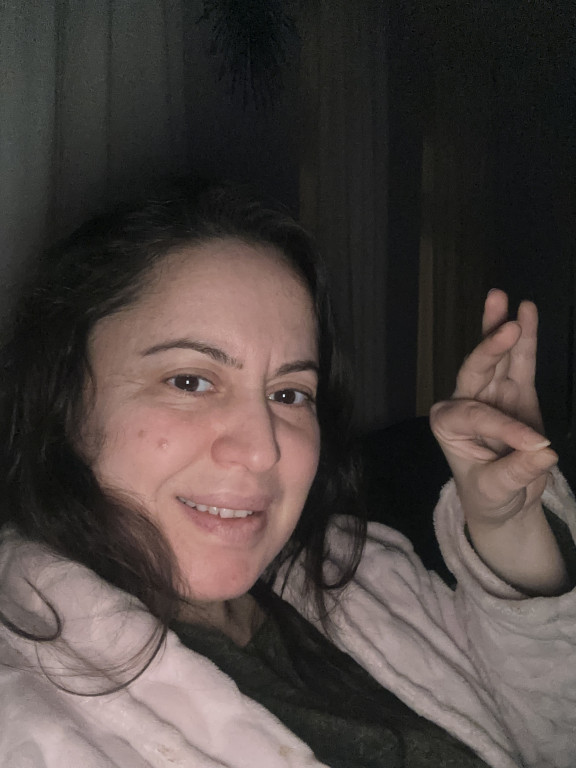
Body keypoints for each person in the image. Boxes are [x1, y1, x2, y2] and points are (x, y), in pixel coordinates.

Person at [0, 183, 574, 768]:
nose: (262, 450)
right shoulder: (26, 717)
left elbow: (553, 728)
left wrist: (509, 527)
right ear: (65, 400)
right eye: (190, 381)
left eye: (289, 393)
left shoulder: (359, 568)